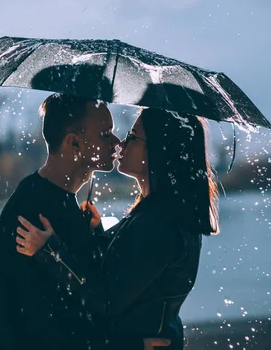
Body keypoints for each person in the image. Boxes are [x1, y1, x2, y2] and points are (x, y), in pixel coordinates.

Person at [16, 108, 220, 350]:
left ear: (159, 150)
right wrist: (98, 230)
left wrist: (51, 252)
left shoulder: (159, 223)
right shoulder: (163, 214)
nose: (121, 143)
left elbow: (107, 299)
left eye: (133, 137)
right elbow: (129, 276)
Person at [0, 93, 122, 350]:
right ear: (75, 144)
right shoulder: (34, 210)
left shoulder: (62, 201)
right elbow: (43, 319)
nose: (117, 142)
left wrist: (94, 234)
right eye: (105, 134)